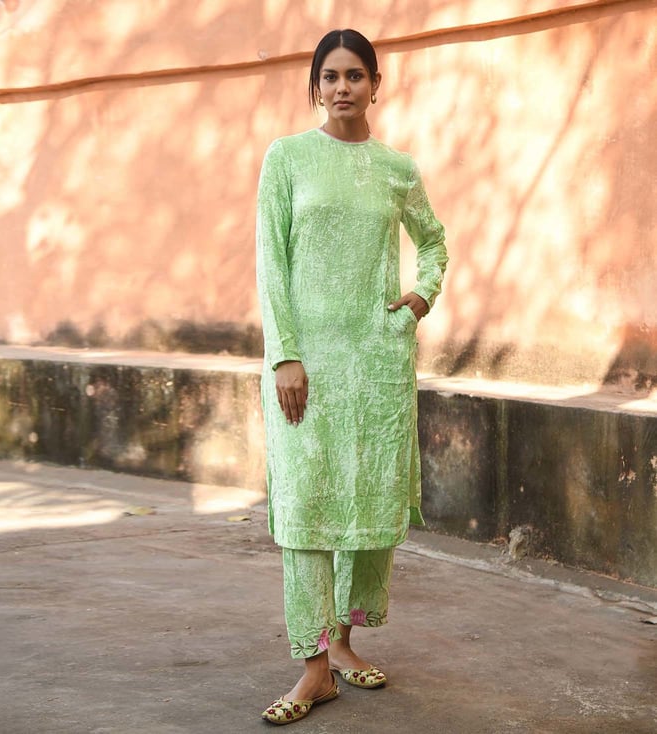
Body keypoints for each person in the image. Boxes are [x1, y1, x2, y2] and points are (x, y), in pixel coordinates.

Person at [256, 28, 448, 725]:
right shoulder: (287, 158)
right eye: (331, 76)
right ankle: (313, 669)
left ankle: (341, 642)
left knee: (365, 500)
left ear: (375, 85)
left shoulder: (397, 168)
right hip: (305, 364)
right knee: (306, 508)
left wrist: (420, 297)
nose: (343, 87)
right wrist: (285, 354)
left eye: (355, 75)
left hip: (375, 366)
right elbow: (271, 261)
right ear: (316, 86)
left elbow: (434, 240)